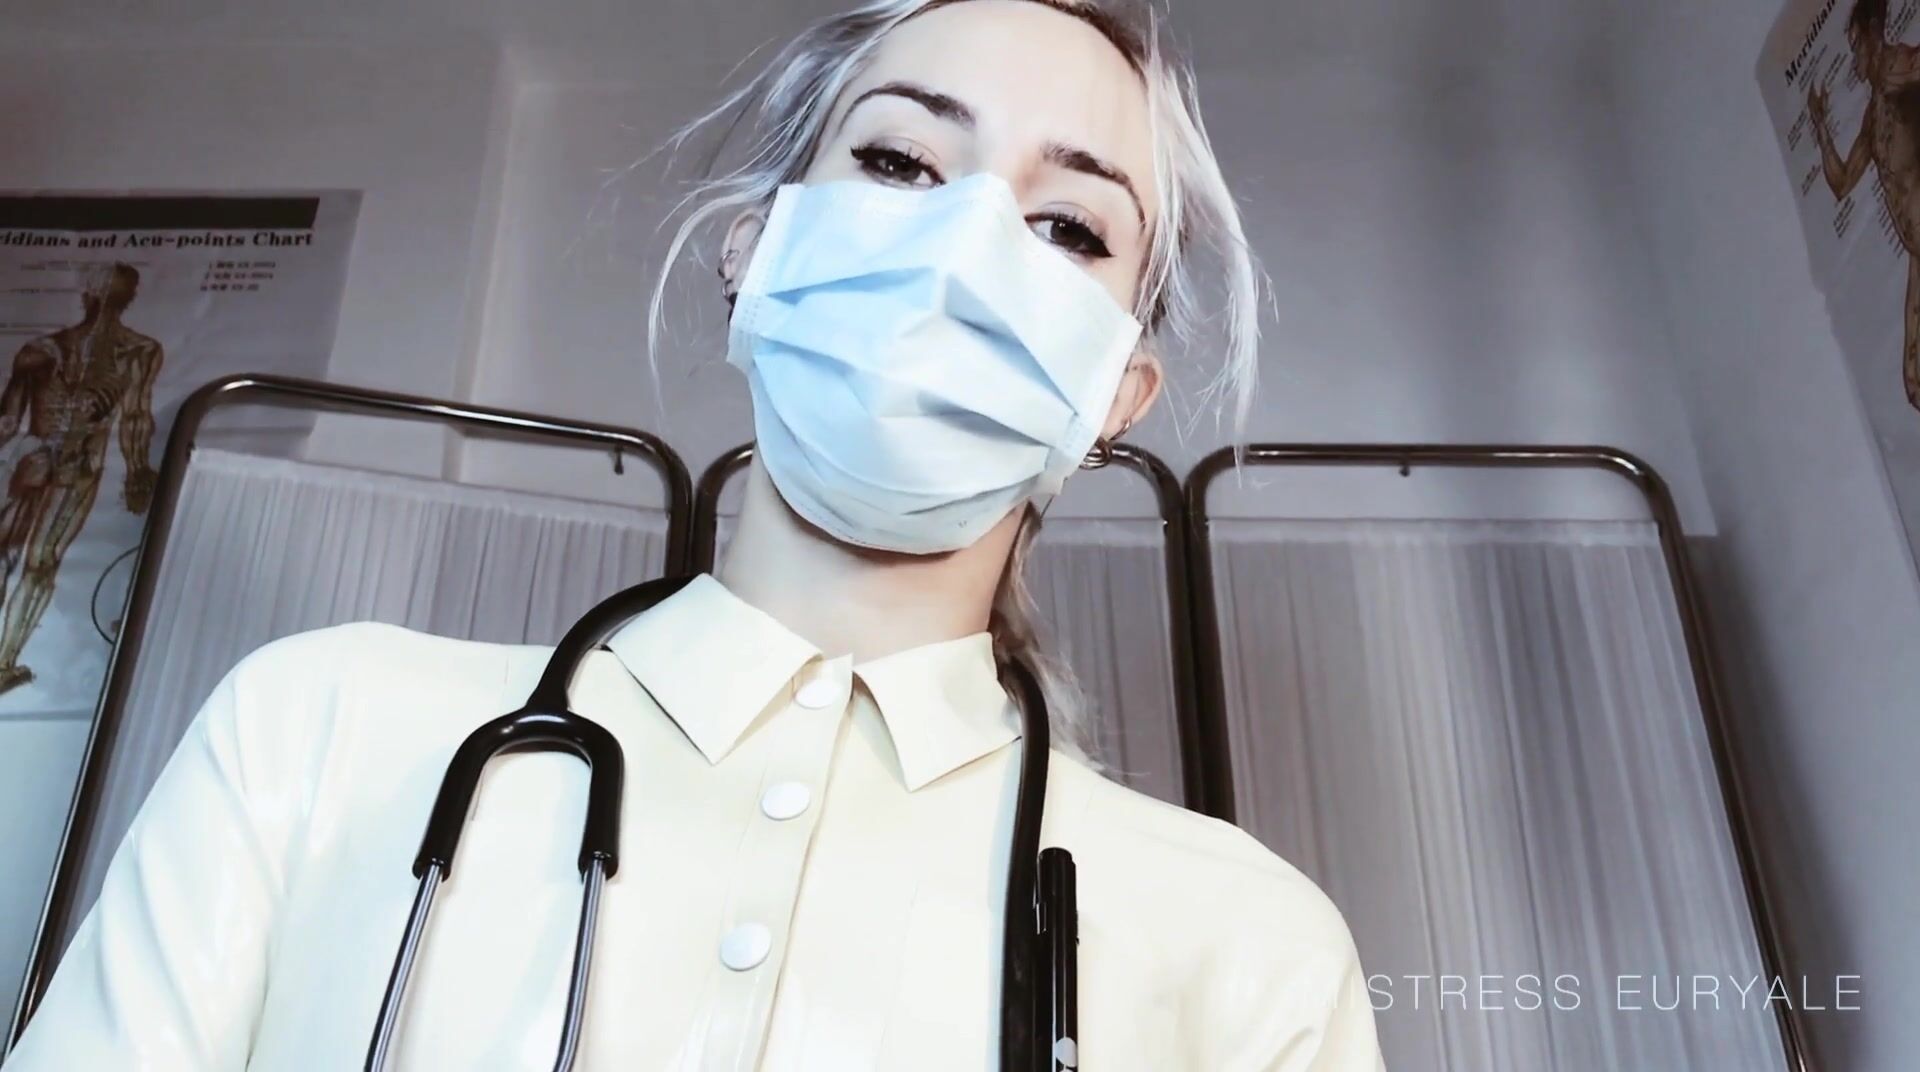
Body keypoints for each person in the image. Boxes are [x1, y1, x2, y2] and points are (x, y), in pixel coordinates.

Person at [9, 2, 1384, 1068]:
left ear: (1115, 396)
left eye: (1068, 226)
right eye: (899, 159)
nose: (964, 250)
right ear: (754, 250)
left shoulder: (1254, 947)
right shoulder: (316, 733)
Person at [0, 262, 162, 694]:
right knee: (38, 560)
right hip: (66, 464)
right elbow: (135, 418)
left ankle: (4, 663)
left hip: (44, 460)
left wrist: (137, 471)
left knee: (26, 556)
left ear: (85, 294)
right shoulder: (136, 351)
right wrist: (137, 472)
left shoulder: (42, 350)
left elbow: (8, 422)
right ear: (131, 298)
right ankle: (3, 663)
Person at [1807, 0, 1920, 412]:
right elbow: (1841, 183)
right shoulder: (1873, 117)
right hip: (1916, 251)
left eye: (1855, 45)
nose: (1853, 61)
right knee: (1914, 383)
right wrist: (1821, 126)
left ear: (1873, 33)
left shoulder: (1904, 66)